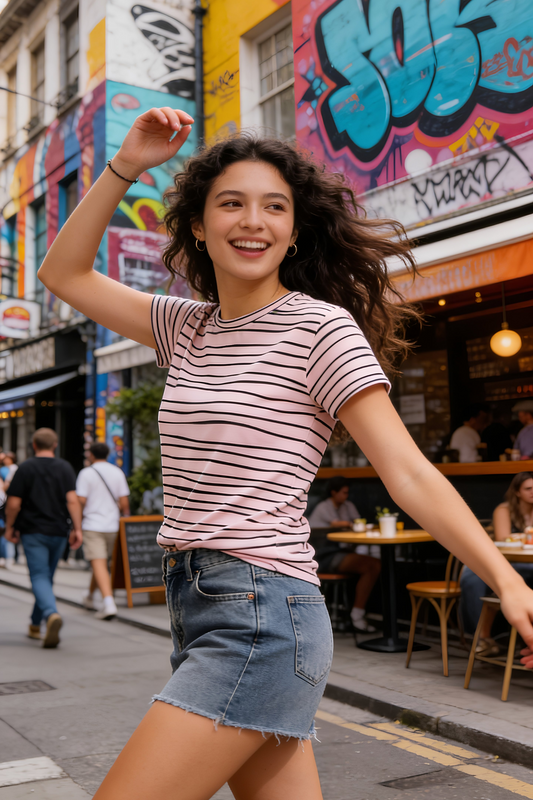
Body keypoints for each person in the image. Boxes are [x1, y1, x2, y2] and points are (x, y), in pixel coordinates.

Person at [37, 106, 533, 800]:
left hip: (260, 611)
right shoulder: (183, 327)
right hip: (200, 602)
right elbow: (63, 273)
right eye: (231, 204)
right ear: (199, 227)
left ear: (294, 232)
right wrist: (126, 166)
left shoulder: (318, 328)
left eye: (274, 207)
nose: (252, 221)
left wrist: (503, 578)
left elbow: (407, 470)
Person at [4, 428, 82, 648]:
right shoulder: (64, 467)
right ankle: (35, 624)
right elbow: (72, 501)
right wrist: (78, 528)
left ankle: (50, 614)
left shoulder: (26, 467)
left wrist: (10, 527)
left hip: (32, 531)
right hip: (58, 531)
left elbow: (13, 503)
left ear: (34, 445)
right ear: (54, 444)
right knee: (46, 577)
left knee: (39, 576)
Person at [461, 472, 533, 655]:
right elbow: (503, 539)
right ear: (517, 492)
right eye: (528, 488)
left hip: (526, 563)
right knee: (474, 579)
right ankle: (482, 638)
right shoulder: (504, 510)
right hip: (501, 562)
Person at [309, 477, 380, 632]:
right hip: (323, 556)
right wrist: (351, 524)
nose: (346, 496)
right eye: (344, 492)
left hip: (343, 551)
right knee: (372, 565)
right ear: (333, 492)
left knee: (374, 564)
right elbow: (339, 524)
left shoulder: (348, 506)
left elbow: (358, 522)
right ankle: (357, 615)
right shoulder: (324, 506)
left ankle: (357, 613)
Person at [77, 441, 130, 620]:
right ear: (107, 454)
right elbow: (124, 503)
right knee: (99, 562)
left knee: (98, 562)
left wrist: (76, 523)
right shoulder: (117, 472)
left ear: (91, 455)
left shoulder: (86, 473)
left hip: (92, 525)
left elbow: (81, 501)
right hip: (112, 525)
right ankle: (90, 596)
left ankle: (108, 603)